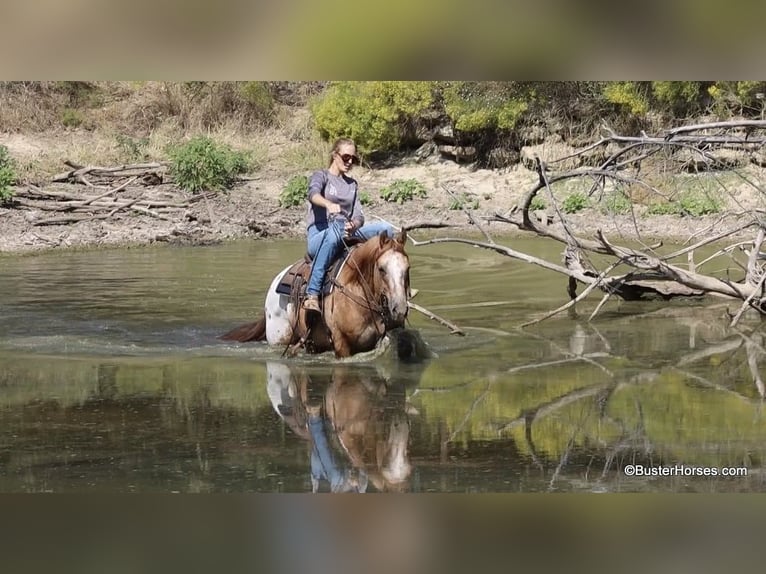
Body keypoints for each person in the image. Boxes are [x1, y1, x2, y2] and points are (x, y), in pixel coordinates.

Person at [303, 138, 394, 313]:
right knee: (336, 230)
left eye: (353, 158)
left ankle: (394, 286)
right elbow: (313, 194)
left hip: (346, 232)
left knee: (386, 230)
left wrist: (355, 224)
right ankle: (312, 294)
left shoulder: (352, 185)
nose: (350, 161)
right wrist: (328, 204)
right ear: (334, 155)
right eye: (346, 157)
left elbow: (359, 214)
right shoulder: (320, 176)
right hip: (320, 235)